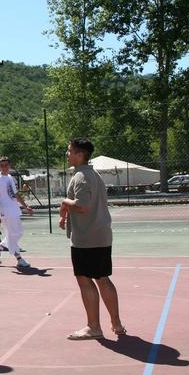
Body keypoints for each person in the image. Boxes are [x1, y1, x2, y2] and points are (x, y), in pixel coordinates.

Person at [59, 138, 124, 340]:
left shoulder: (81, 176)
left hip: (86, 239)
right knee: (103, 279)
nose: (67, 154)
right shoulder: (93, 175)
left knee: (85, 280)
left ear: (80, 155)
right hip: (101, 235)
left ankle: (93, 327)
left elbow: (83, 206)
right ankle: (117, 323)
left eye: (69, 151)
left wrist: (64, 203)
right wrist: (66, 214)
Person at [0, 156, 33, 267]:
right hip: (5, 211)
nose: (4, 167)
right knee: (13, 234)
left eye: (6, 165)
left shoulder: (9, 177)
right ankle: (19, 259)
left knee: (18, 233)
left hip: (14, 210)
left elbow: (16, 194)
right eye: (2, 165)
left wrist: (25, 206)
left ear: (9, 165)